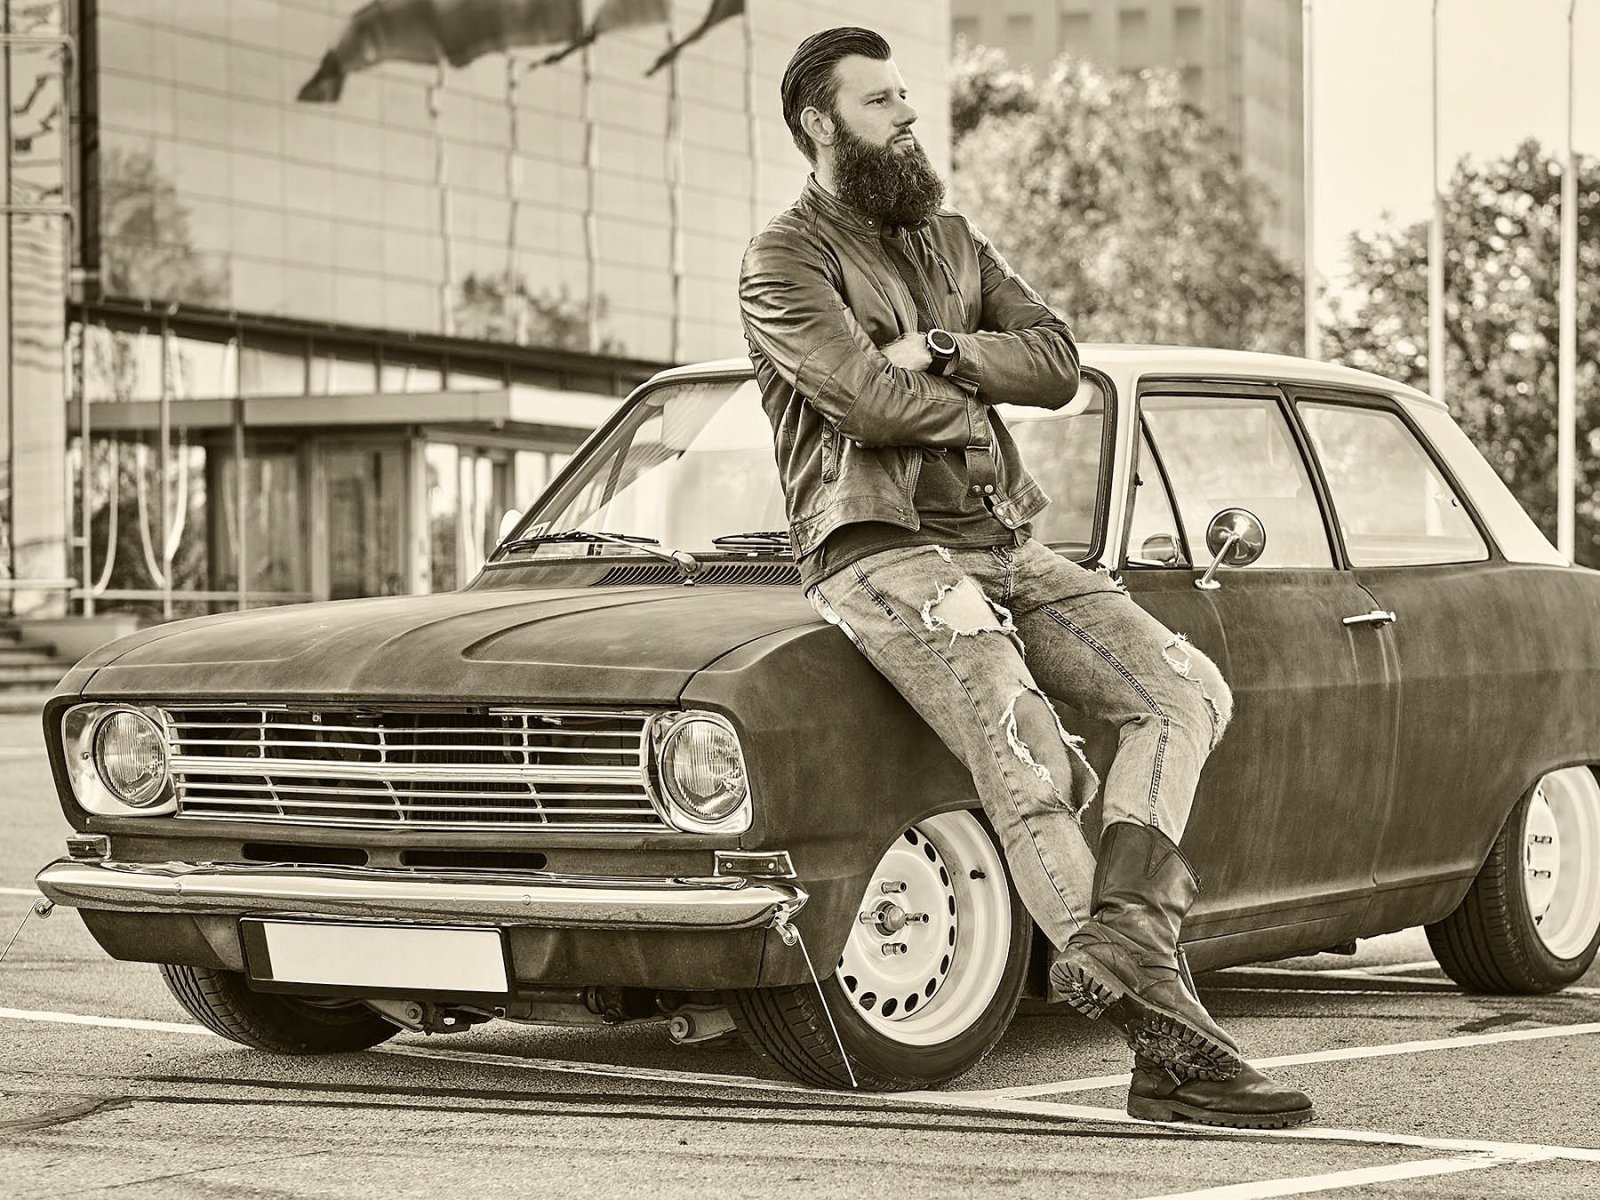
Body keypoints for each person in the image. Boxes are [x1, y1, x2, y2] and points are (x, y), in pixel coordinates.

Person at [738, 26, 1314, 1129]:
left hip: (1004, 538)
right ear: (819, 123)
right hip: (882, 547)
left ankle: (1120, 938)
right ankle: (1176, 1051)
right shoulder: (784, 260)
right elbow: (862, 403)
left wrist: (948, 355)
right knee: (1026, 755)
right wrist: (968, 390)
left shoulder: (954, 239)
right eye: (879, 102)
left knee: (1183, 690)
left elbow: (1059, 363)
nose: (908, 116)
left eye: (905, 97)